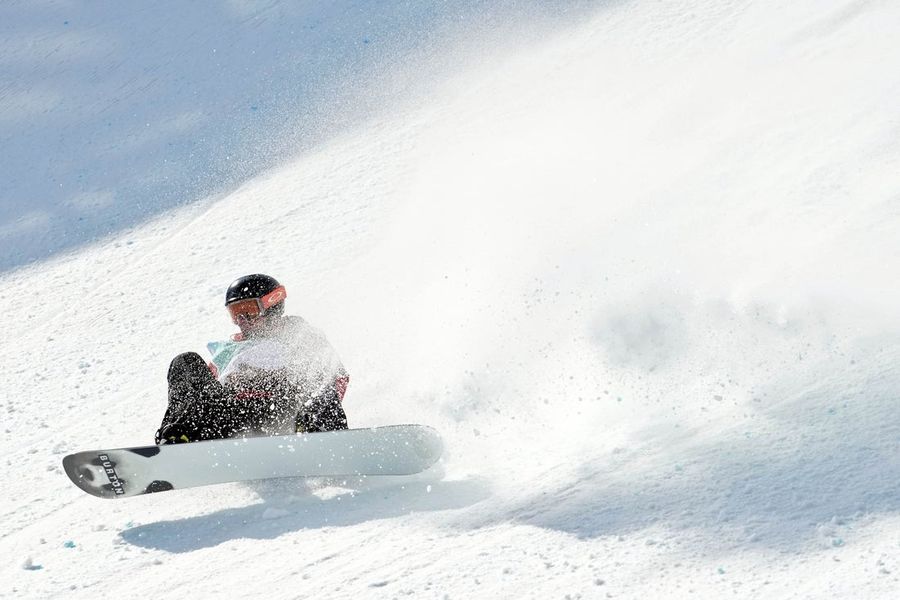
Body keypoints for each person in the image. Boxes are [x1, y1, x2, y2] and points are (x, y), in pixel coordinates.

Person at [155, 274, 349, 444]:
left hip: (279, 410)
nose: (241, 319)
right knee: (185, 361)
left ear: (271, 306)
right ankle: (176, 439)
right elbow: (202, 390)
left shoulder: (299, 333)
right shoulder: (228, 349)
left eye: (248, 310)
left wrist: (310, 407)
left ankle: (322, 438)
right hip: (230, 415)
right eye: (235, 312)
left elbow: (335, 377)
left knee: (317, 376)